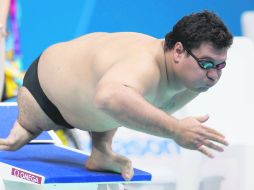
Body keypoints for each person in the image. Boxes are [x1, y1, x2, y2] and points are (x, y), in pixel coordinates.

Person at [0, 10, 233, 180]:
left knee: (128, 96)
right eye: (206, 63)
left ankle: (101, 151)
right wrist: (176, 129)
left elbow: (125, 105)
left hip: (87, 106)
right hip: (42, 96)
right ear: (179, 51)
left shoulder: (192, 78)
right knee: (120, 94)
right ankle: (27, 128)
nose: (213, 75)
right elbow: (108, 97)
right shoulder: (144, 63)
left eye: (220, 66)